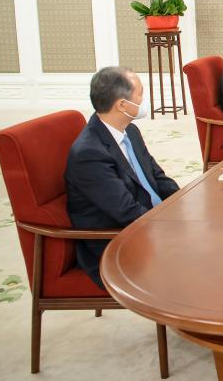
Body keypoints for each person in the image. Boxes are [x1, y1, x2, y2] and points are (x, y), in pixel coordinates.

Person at [65, 67, 180, 288]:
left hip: (152, 221)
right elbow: (127, 212)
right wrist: (171, 227)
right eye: (140, 94)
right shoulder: (89, 154)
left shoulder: (131, 132)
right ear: (122, 105)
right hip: (120, 242)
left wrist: (184, 204)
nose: (144, 100)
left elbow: (158, 177)